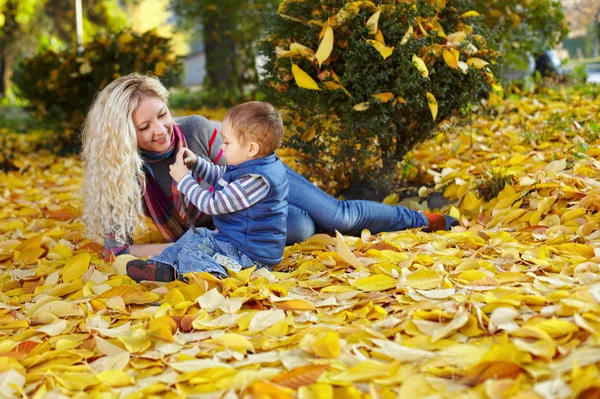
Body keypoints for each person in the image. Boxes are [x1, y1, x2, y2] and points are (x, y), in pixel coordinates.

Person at [81, 73, 456, 264]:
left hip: (258, 183)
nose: (161, 130)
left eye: (162, 115)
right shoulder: (123, 171)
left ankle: (423, 219)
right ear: (122, 135)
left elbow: (235, 179)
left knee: (338, 216)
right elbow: (118, 250)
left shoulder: (195, 131)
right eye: (144, 128)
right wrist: (177, 246)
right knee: (301, 226)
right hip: (235, 227)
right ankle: (320, 227)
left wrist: (191, 185)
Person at [126, 101, 288, 281]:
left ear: (251, 149)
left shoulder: (255, 181)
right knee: (194, 237)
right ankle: (161, 266)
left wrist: (184, 180)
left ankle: (211, 276)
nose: (222, 147)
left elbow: (212, 204)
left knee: (194, 251)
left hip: (249, 257)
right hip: (234, 241)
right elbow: (221, 177)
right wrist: (196, 163)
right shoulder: (248, 167)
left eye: (227, 142)